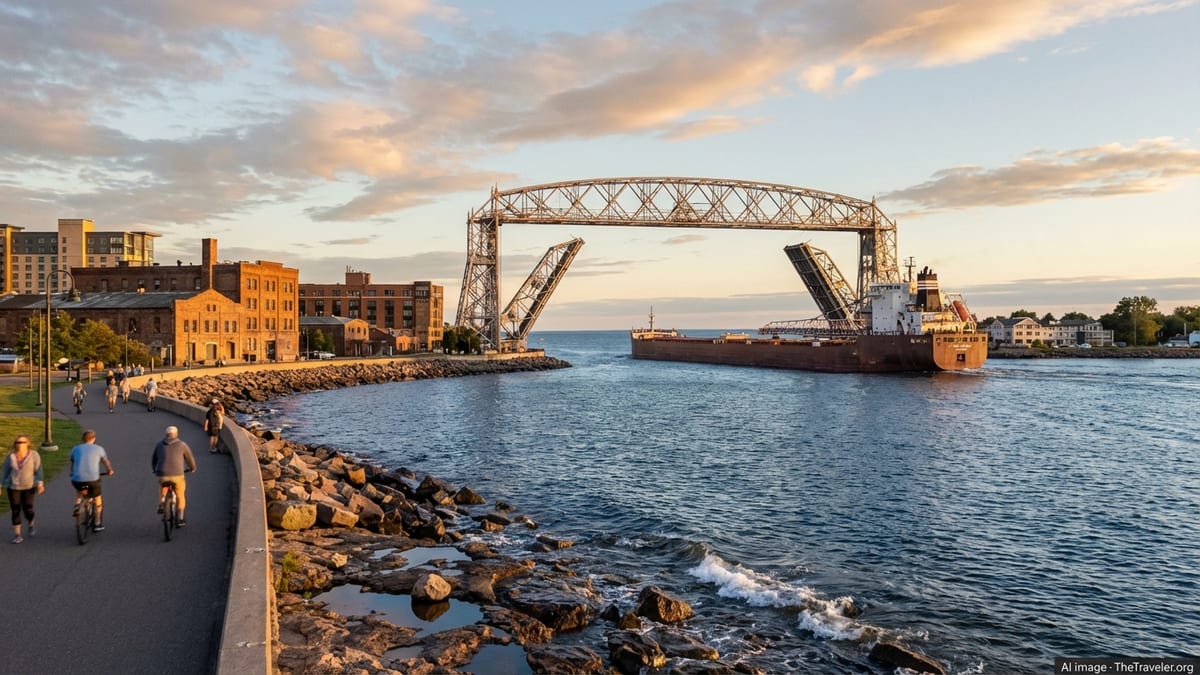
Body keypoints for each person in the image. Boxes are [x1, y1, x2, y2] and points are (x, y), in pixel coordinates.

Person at [69, 430, 114, 532]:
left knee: (79, 492)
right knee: (97, 498)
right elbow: (105, 461)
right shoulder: (99, 449)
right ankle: (97, 523)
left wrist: (72, 473)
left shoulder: (75, 449)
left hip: (77, 479)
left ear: (82, 439)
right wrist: (109, 470)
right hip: (93, 479)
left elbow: (72, 462)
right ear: (93, 439)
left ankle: (77, 505)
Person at [2, 436, 44, 544]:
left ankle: (30, 522)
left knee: (28, 510)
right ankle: (17, 535)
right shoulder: (10, 457)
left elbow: (38, 470)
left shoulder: (34, 455)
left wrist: (40, 484)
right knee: (15, 510)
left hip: (29, 487)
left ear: (27, 444)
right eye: (18, 442)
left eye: (22, 442)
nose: (20, 443)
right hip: (13, 487)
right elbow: (4, 472)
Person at [152, 426, 196, 526]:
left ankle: (162, 501)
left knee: (162, 484)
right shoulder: (182, 445)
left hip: (162, 473)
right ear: (176, 434)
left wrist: (154, 469)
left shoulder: (159, 445)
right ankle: (180, 519)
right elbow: (189, 459)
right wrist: (192, 468)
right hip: (177, 474)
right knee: (180, 496)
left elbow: (154, 459)